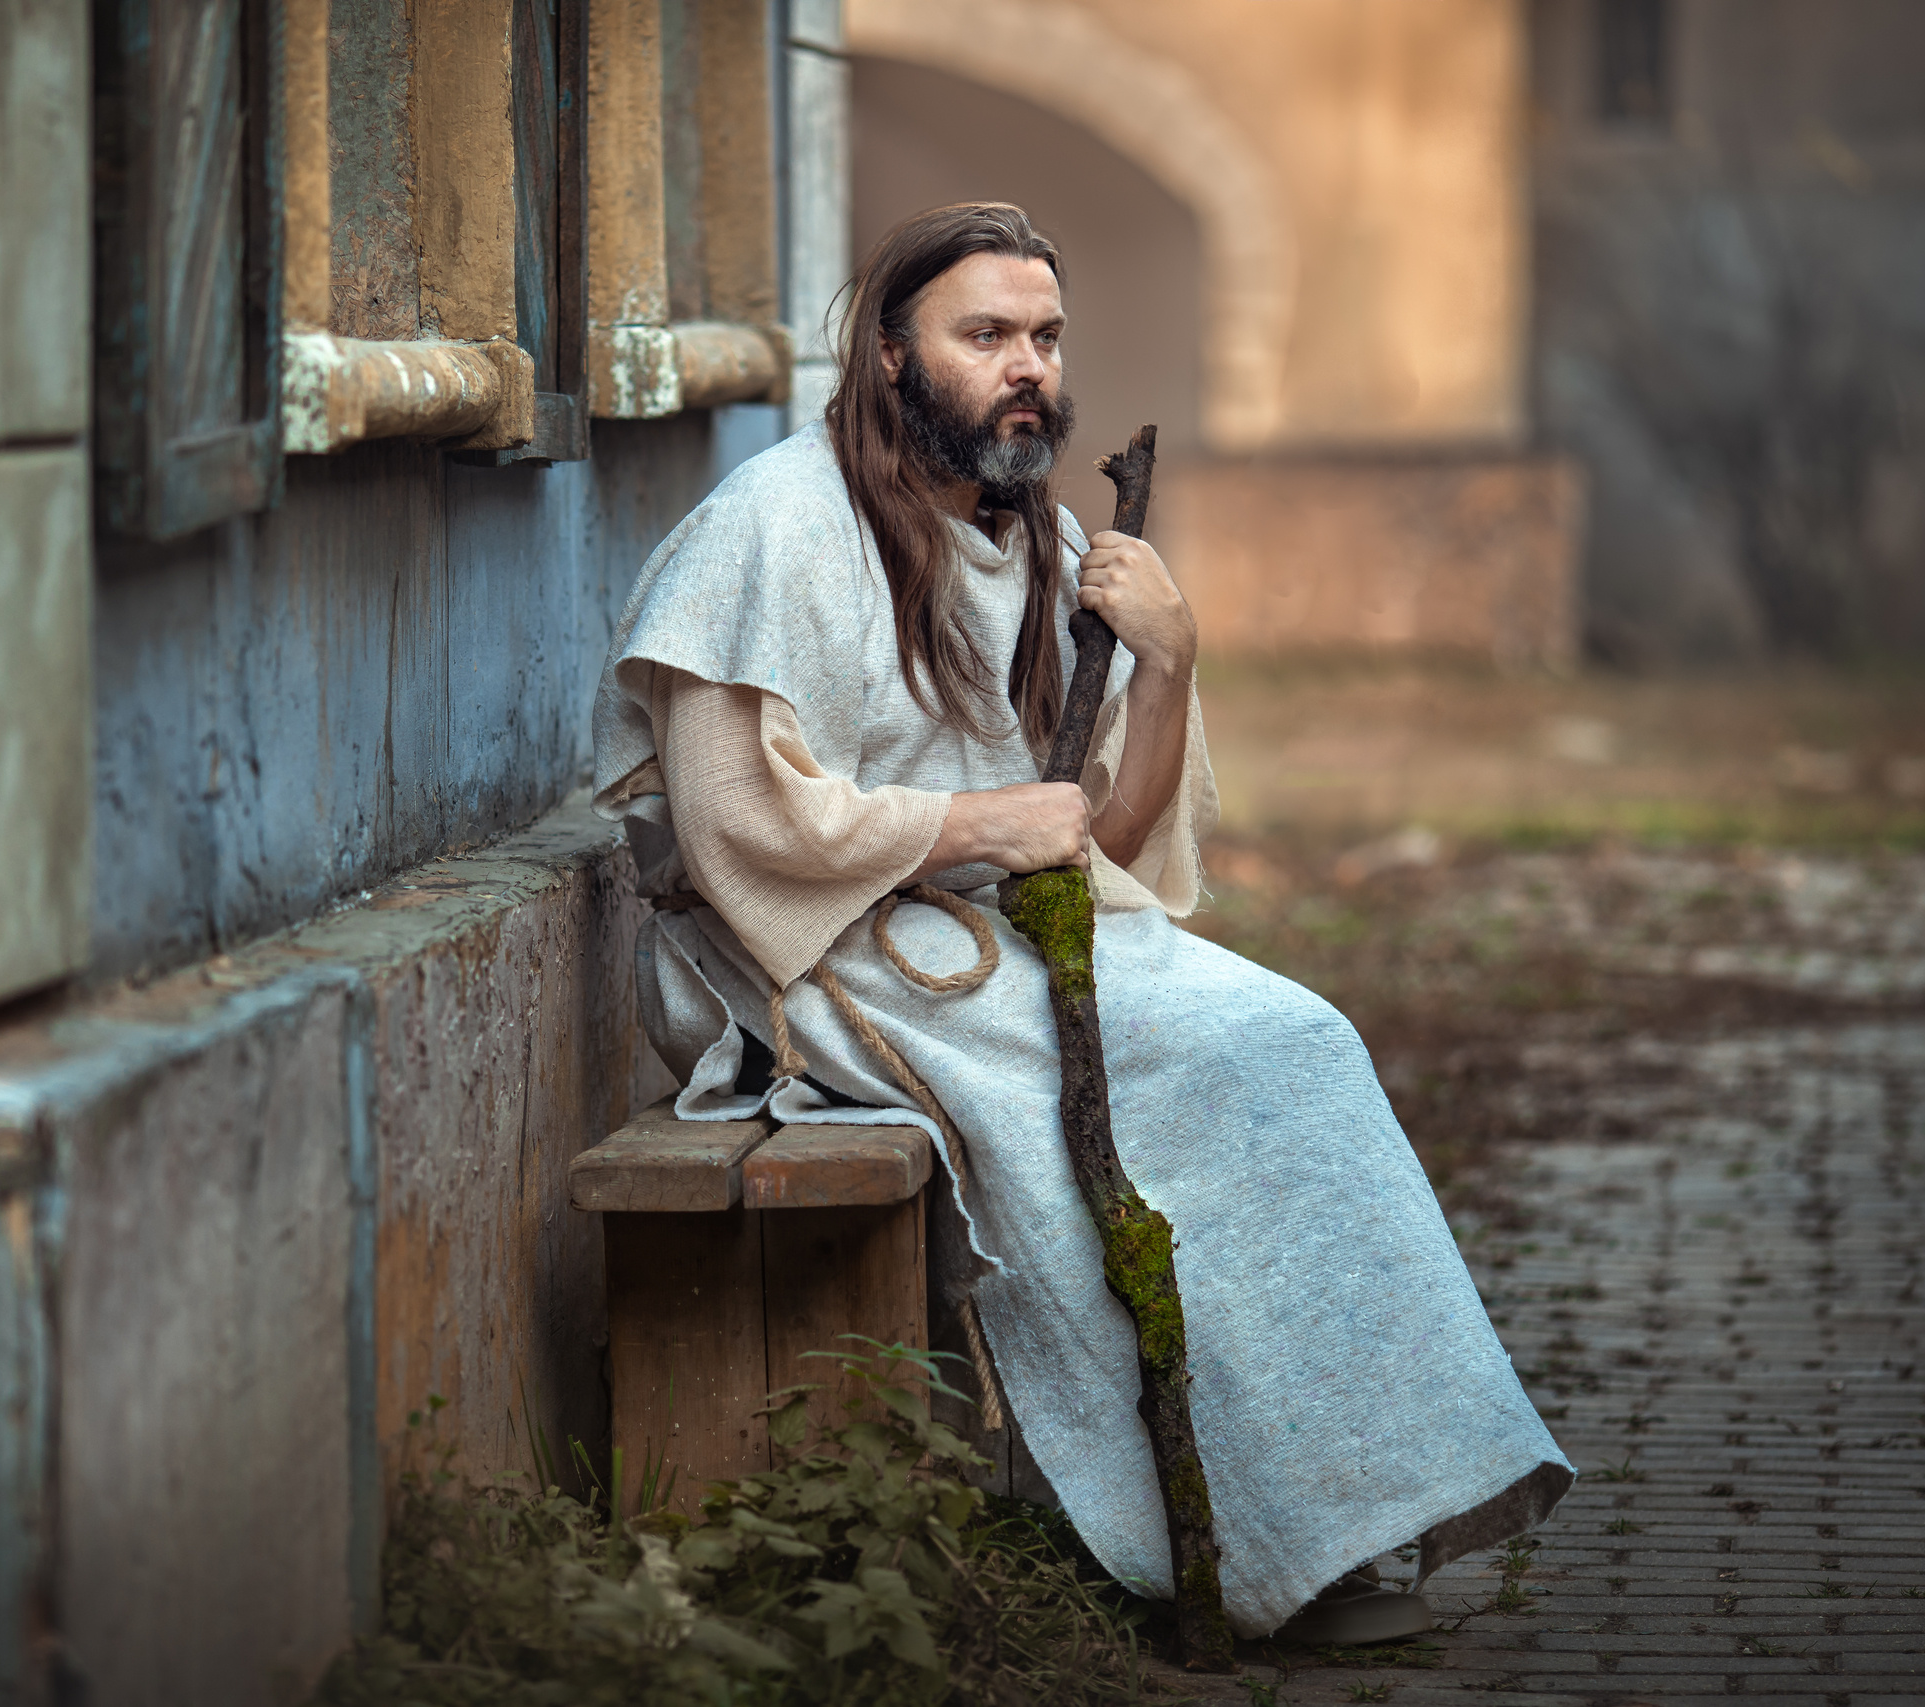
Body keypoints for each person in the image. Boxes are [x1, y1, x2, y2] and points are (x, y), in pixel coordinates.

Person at [591, 202, 1570, 1644]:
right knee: (1220, 1077)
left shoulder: (1038, 537)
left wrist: (1167, 664)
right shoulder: (771, 530)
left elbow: (1110, 840)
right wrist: (976, 826)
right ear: (887, 351)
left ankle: (1326, 1519)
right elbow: (740, 822)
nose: (1026, 368)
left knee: (1292, 1043)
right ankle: (1220, 1547)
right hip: (809, 961)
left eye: (1044, 337)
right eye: (984, 335)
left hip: (999, 935)